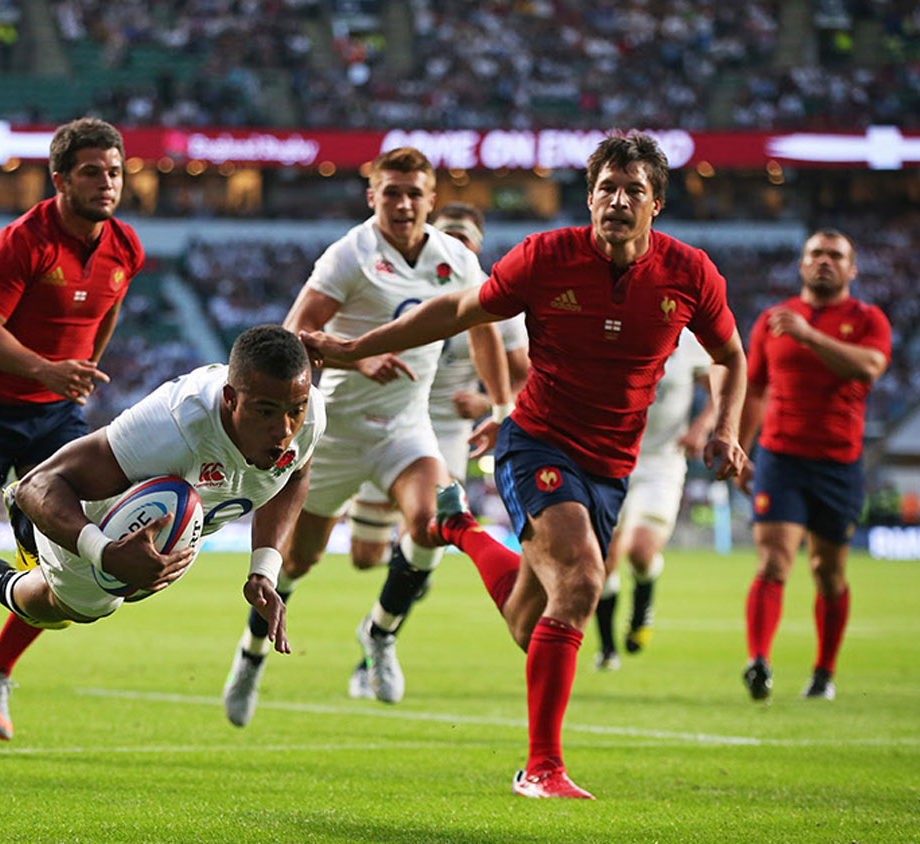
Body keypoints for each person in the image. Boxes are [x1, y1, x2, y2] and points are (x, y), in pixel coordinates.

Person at [300, 132, 747, 799]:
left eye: (631, 190)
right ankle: (541, 768)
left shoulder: (689, 274)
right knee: (584, 580)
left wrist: (727, 429)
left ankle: (459, 532)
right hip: (536, 441)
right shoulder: (547, 257)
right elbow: (456, 310)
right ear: (590, 195)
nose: (616, 201)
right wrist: (354, 347)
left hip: (611, 465)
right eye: (605, 188)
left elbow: (731, 356)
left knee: (528, 622)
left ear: (657, 202)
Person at [221, 148, 511, 727]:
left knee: (432, 525)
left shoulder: (455, 258)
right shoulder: (351, 255)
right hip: (331, 434)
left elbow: (483, 328)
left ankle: (379, 632)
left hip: (405, 429)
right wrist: (359, 360)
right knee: (296, 564)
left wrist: (501, 404)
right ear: (371, 195)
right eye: (392, 191)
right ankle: (251, 656)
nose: (403, 203)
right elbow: (289, 340)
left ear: (430, 200)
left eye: (414, 193)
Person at [0, 117, 144, 740]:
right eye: (91, 173)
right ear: (58, 180)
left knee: (65, 566)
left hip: (55, 419)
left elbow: (107, 311)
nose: (106, 183)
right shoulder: (23, 241)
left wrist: (78, 371)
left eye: (114, 172)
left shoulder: (125, 246)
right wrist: (48, 369)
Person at [0, 325, 324, 650]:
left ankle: (38, 534)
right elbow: (36, 484)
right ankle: (6, 577)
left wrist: (263, 571)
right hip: (99, 508)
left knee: (135, 585)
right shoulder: (171, 428)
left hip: (186, 507)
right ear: (230, 398)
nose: (284, 430)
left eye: (296, 410)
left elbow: (294, 476)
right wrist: (104, 553)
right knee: (77, 609)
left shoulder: (309, 414)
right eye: (265, 412)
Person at [346, 202, 530, 700]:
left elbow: (523, 369)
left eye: (465, 239)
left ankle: (378, 641)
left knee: (428, 530)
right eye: (449, 237)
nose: (457, 247)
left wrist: (491, 401)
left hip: (446, 429)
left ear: (477, 246)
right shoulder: (405, 281)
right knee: (364, 558)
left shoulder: (494, 294)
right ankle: (402, 564)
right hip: (386, 418)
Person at [735, 229, 890, 702]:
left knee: (828, 572)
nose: (824, 262)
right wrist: (740, 447)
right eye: (816, 254)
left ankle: (824, 672)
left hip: (839, 464)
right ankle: (758, 661)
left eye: (835, 255)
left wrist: (808, 335)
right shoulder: (771, 321)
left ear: (852, 268)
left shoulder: (868, 319)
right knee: (773, 562)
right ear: (802, 265)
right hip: (780, 457)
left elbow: (868, 367)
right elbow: (755, 389)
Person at [593, 329, 714, 671]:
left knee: (642, 551)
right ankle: (607, 648)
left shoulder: (688, 340)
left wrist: (702, 427)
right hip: (611, 458)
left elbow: (718, 388)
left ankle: (643, 603)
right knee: (605, 560)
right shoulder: (614, 327)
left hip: (663, 461)